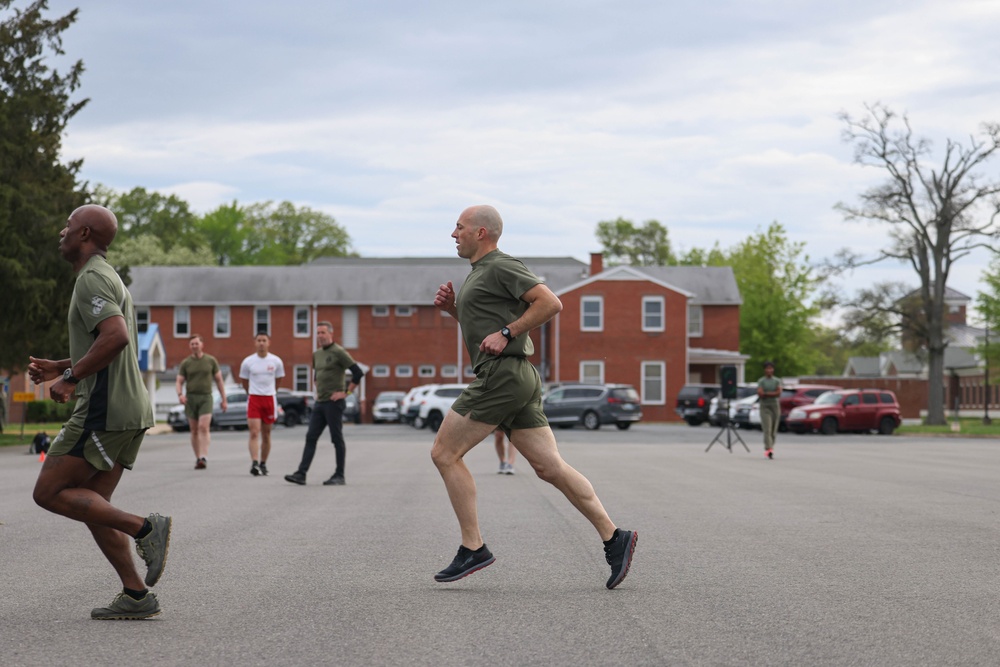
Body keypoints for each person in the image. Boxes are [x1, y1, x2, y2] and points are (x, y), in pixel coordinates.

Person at [431, 204, 637, 589]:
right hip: (516, 377)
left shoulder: (500, 265)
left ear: (481, 233)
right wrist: (453, 310)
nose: (453, 234)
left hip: (502, 376)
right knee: (550, 468)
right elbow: (485, 332)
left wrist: (508, 333)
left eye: (459, 227)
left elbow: (550, 303)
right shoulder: (479, 274)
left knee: (444, 454)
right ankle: (615, 537)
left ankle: (473, 547)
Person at [28, 204, 169, 620]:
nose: (62, 230)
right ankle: (137, 594)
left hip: (105, 409)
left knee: (48, 492)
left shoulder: (91, 278)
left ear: (85, 233)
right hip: (130, 406)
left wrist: (71, 376)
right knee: (92, 503)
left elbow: (117, 337)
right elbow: (104, 342)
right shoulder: (109, 277)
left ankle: (145, 527)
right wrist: (62, 364)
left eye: (68, 225)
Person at [284, 321, 365, 486]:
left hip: (334, 404)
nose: (320, 336)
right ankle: (301, 474)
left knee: (336, 438)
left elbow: (358, 373)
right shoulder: (317, 354)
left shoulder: (339, 352)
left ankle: (339, 475)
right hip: (320, 403)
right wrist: (317, 390)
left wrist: (345, 393)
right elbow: (316, 376)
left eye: (323, 332)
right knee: (311, 437)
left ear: (331, 334)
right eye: (318, 333)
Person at [175, 334, 227, 470]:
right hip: (191, 398)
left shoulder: (210, 360)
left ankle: (204, 456)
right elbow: (179, 381)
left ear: (202, 344)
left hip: (206, 397)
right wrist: (180, 394)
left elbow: (219, 380)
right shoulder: (186, 363)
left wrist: (224, 399)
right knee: (194, 430)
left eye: (196, 343)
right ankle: (198, 457)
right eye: (192, 344)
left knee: (203, 427)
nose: (194, 346)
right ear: (189, 346)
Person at [239, 332, 285, 476]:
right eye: (259, 340)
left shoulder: (276, 361)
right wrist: (251, 392)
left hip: (269, 398)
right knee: (254, 432)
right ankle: (254, 462)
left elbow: (278, 380)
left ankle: (263, 463)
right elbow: (244, 381)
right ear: (255, 342)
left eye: (264, 340)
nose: (261, 343)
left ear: (268, 342)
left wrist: (272, 392)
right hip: (254, 398)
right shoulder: (248, 362)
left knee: (267, 433)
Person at [757, 361, 783, 459]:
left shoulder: (777, 380)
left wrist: (767, 393)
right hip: (764, 406)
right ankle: (769, 449)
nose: (769, 370)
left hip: (774, 405)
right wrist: (772, 393)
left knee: (773, 429)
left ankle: (771, 446)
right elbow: (760, 393)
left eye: (771, 368)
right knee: (767, 428)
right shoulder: (761, 381)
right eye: (767, 368)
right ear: (764, 370)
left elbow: (778, 393)